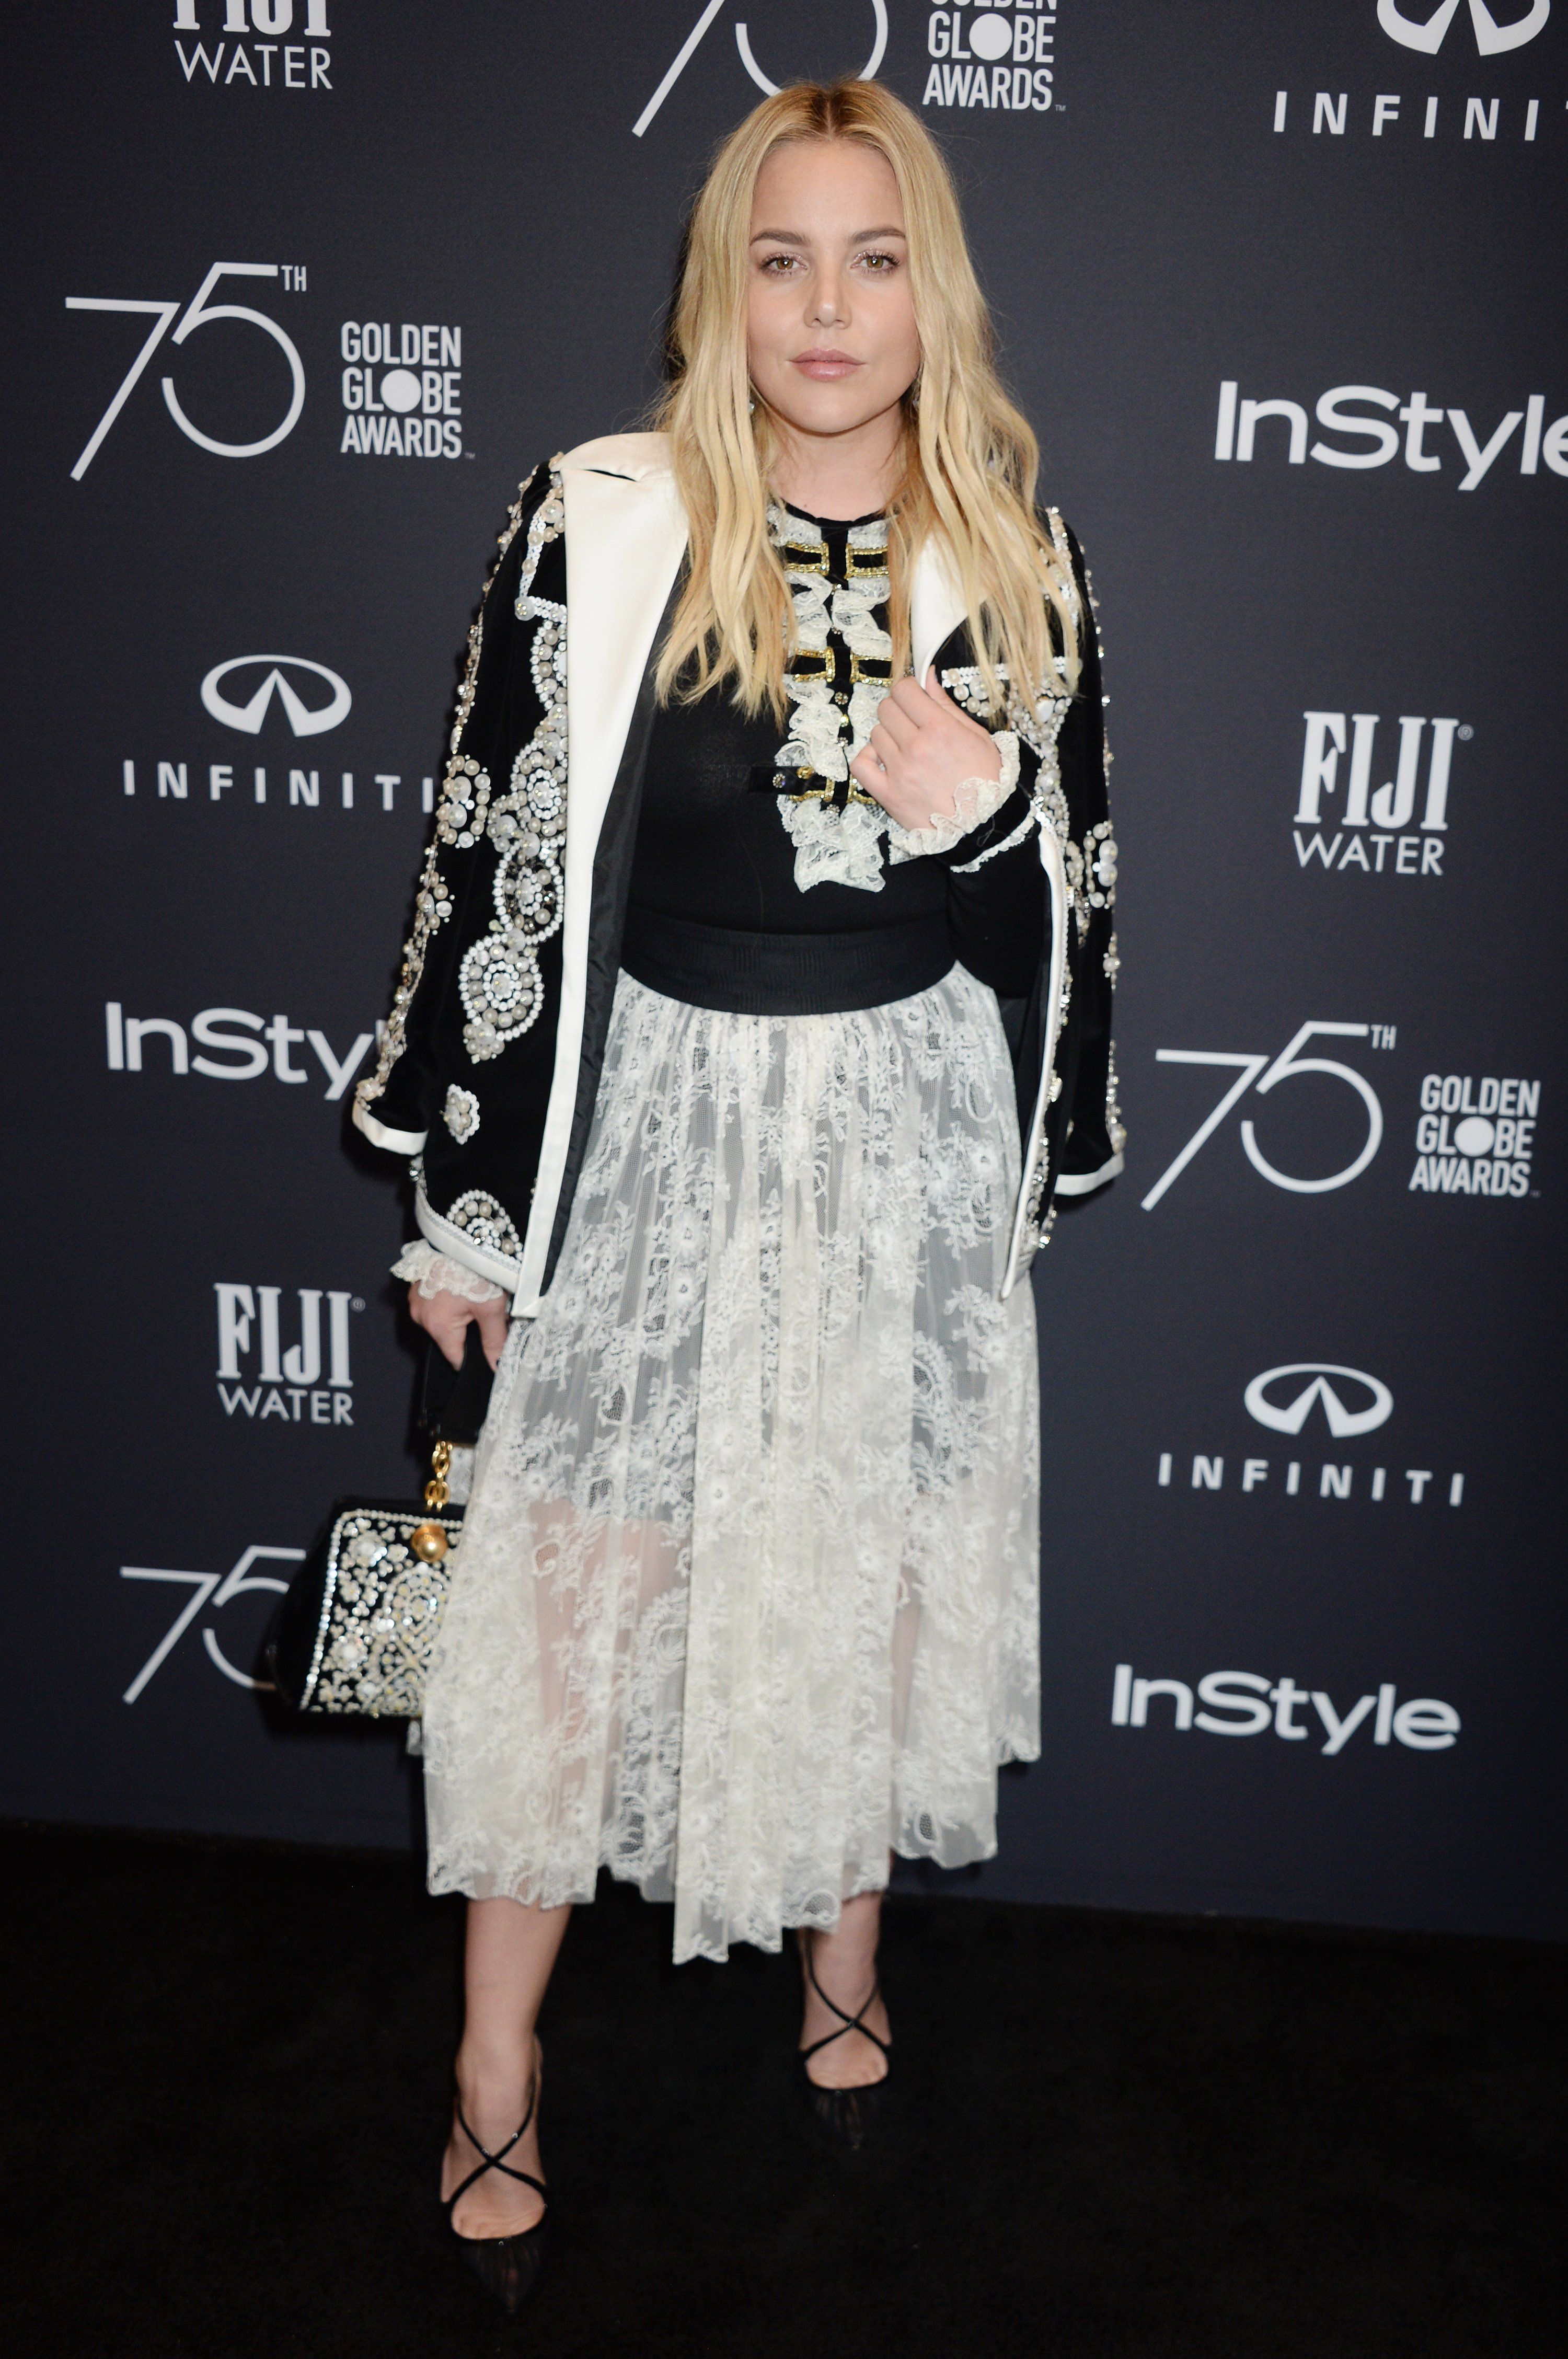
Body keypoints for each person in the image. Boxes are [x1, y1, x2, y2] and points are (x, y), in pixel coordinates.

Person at [353, 76, 1122, 2311]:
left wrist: (991, 824)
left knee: (866, 1575)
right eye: (781, 259)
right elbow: (495, 858)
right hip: (649, 1124)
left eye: (874, 259)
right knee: (568, 1601)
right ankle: (495, 2056)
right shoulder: (597, 520)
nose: (827, 307)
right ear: (722, 287)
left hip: (899, 1138)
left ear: (932, 290)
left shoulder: (1021, 552)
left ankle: (843, 1960)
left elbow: (1072, 935)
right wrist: (470, 1204)